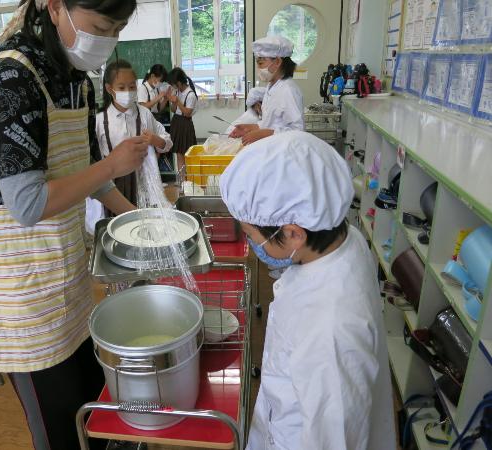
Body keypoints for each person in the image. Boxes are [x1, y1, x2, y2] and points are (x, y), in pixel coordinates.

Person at [0, 1, 148, 449]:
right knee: (59, 426)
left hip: (61, 273)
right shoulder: (11, 79)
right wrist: (114, 166)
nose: (109, 40)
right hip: (19, 290)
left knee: (89, 405)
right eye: (102, 26)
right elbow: (27, 204)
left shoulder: (72, 78)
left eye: (118, 30)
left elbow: (86, 172)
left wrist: (141, 220)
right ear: (56, 7)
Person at [219, 131, 395, 450]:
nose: (250, 244)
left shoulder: (331, 331)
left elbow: (335, 438)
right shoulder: (345, 239)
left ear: (294, 234)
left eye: (250, 233)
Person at [95, 59, 172, 204]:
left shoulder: (144, 114)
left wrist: (156, 140)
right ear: (109, 89)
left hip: (143, 185)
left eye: (132, 86)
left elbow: (167, 142)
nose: (128, 92)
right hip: (111, 189)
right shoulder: (99, 121)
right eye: (122, 88)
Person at [230, 36, 304, 146]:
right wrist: (248, 128)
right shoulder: (272, 87)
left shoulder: (288, 90)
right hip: (271, 147)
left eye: (261, 63)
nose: (258, 68)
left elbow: (298, 132)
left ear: (278, 61)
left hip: (283, 152)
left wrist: (264, 134)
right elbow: (270, 124)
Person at [167, 67, 197, 170]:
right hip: (177, 122)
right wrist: (173, 101)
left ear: (179, 83)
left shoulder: (190, 94)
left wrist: (178, 101)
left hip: (185, 125)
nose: (173, 86)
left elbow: (187, 113)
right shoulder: (177, 92)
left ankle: (187, 180)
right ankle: (182, 180)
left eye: (173, 84)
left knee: (186, 154)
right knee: (179, 154)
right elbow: (173, 110)